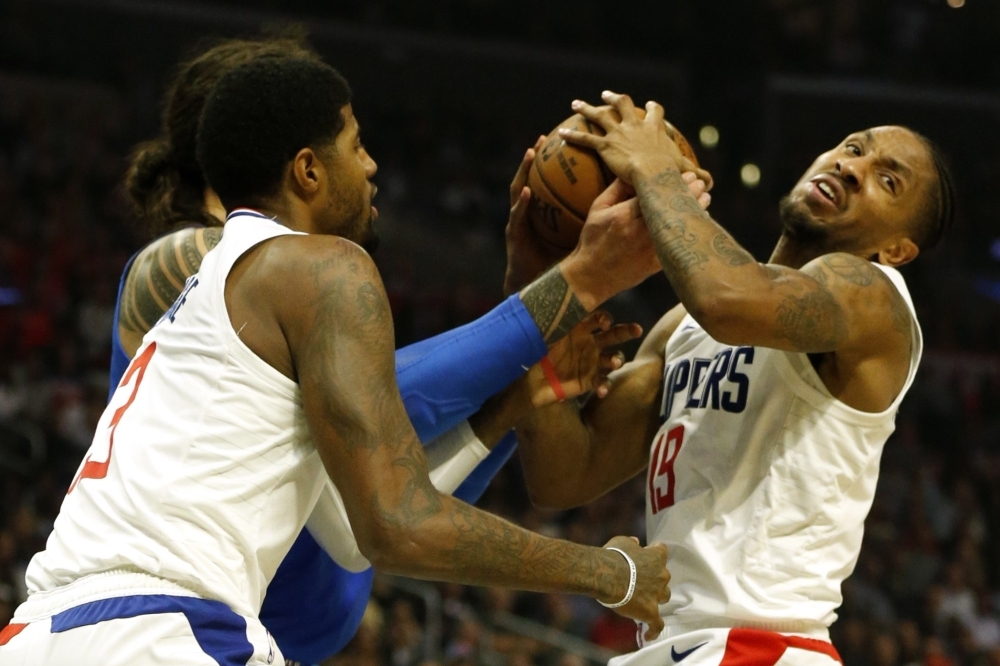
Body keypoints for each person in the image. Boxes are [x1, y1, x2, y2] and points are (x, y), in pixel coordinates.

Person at [0, 59, 676, 666]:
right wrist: (609, 572)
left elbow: (352, 538)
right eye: (357, 146)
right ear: (308, 170)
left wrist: (507, 407)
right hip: (165, 630)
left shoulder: (207, 301)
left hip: (44, 632)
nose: (373, 166)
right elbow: (400, 526)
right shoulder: (318, 267)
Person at [514, 91, 956, 666]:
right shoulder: (683, 328)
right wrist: (533, 276)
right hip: (673, 646)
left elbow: (725, 296)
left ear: (896, 249)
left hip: (763, 644)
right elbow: (562, 476)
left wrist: (653, 170)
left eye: (886, 181)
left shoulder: (872, 299)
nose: (851, 167)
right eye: (853, 148)